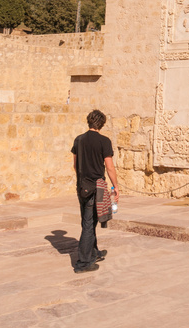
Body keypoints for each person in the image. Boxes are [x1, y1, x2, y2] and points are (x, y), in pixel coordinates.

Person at [70, 109, 119, 273]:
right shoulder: (104, 141)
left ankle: (94, 252)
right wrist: (115, 187)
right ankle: (83, 263)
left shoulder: (79, 140)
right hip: (95, 187)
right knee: (89, 224)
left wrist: (83, 181)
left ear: (89, 122)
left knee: (88, 220)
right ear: (102, 124)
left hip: (82, 186)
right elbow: (110, 167)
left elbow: (75, 165)